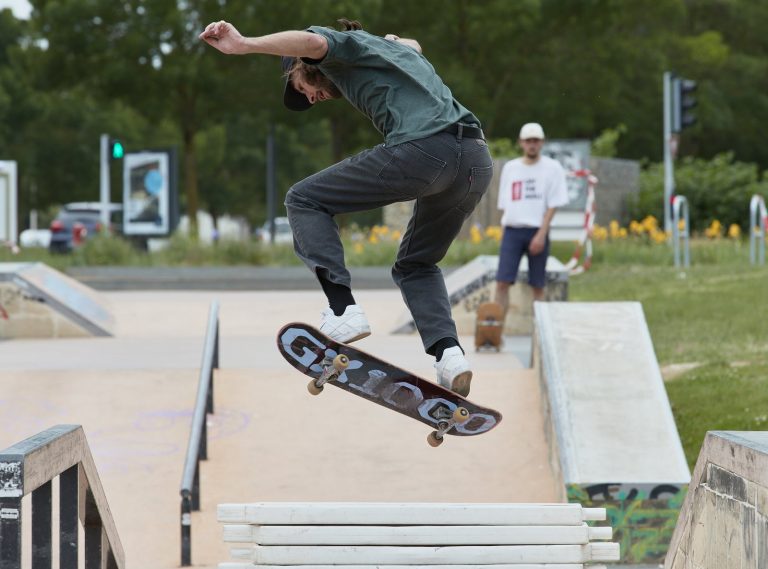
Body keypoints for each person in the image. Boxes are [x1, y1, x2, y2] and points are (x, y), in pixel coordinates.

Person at [200, 18, 493, 396]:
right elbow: (415, 44)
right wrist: (394, 39)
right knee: (417, 264)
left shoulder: (338, 50)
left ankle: (343, 310)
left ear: (300, 65)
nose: (310, 97)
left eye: (300, 88)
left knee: (303, 199)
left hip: (424, 152)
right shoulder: (389, 51)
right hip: (475, 161)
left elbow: (309, 40)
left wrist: (244, 44)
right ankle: (450, 357)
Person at [494, 122, 569, 315]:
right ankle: (494, 334)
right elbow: (505, 204)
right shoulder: (511, 168)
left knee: (537, 284)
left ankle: (539, 335)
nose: (532, 145)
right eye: (528, 141)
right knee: (502, 281)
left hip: (537, 229)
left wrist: (542, 234)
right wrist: (504, 232)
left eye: (535, 140)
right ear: (521, 142)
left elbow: (554, 203)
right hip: (512, 230)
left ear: (542, 142)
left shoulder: (552, 168)